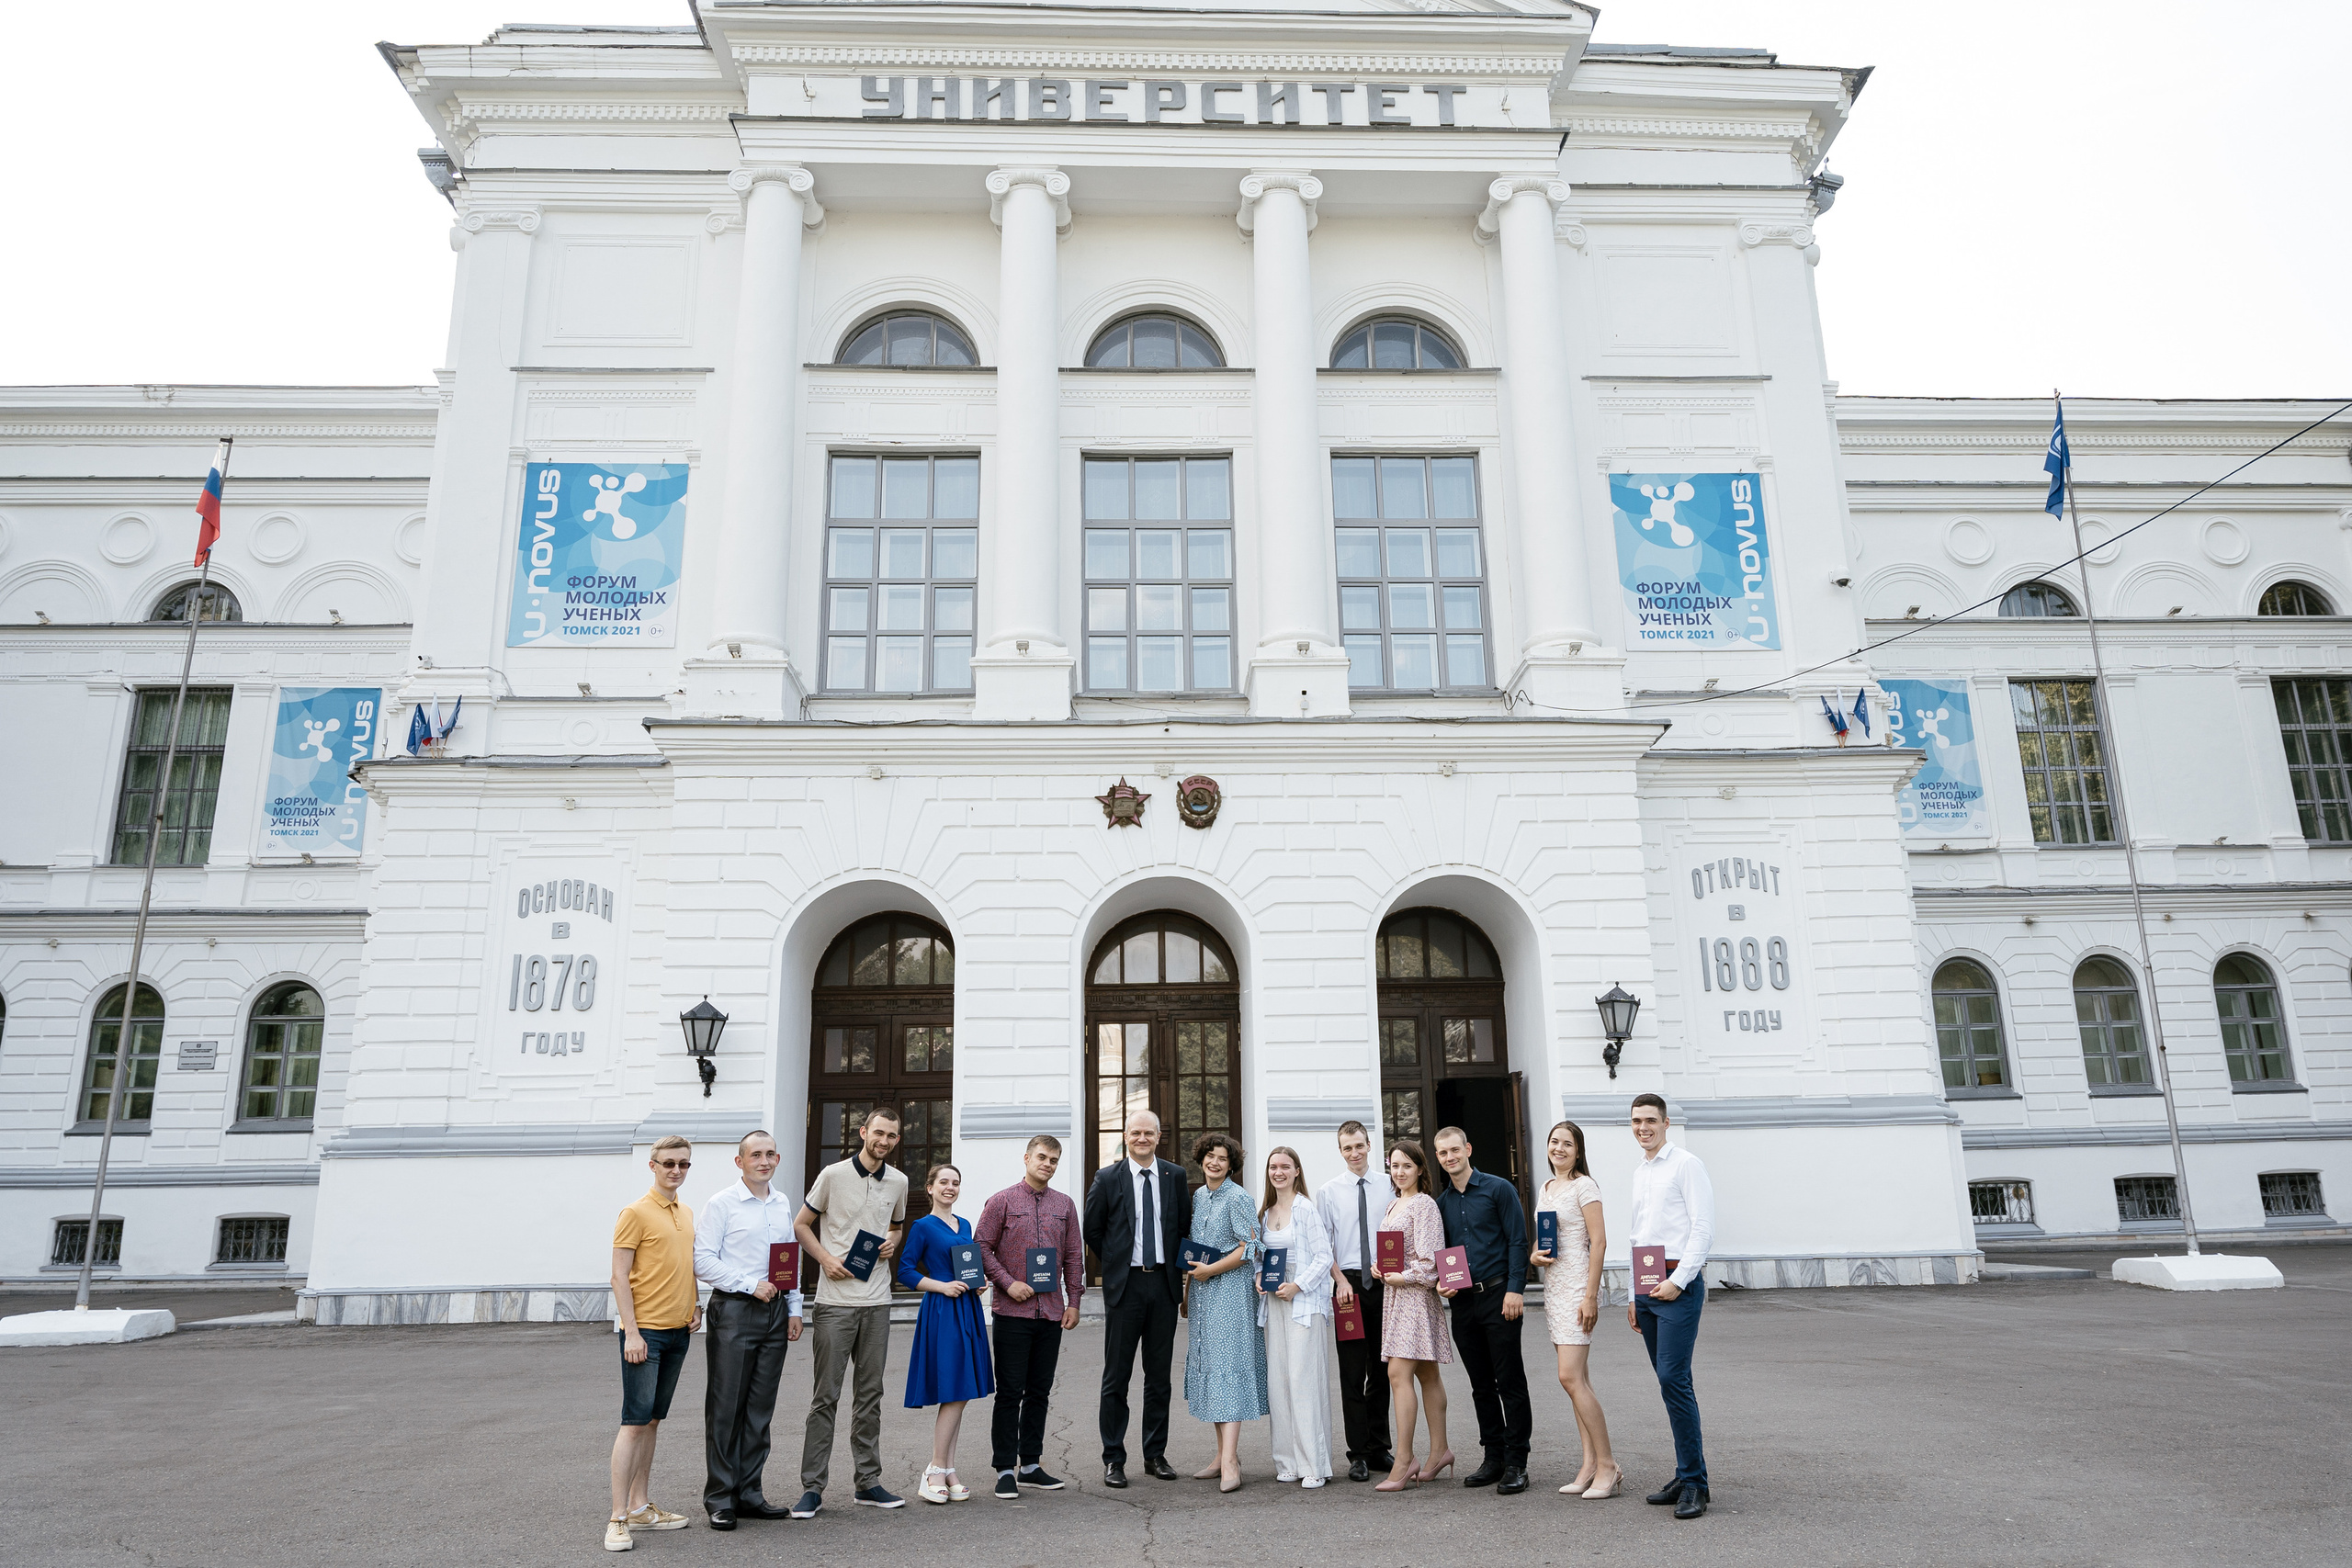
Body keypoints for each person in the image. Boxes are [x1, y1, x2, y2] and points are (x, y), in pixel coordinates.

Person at [792, 1105, 910, 1517]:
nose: (884, 1141)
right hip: (835, 1303)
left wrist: (893, 1240)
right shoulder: (833, 1175)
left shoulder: (899, 1181)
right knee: (825, 1397)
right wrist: (824, 1259)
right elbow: (801, 1224)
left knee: (870, 1396)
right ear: (863, 1132)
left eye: (892, 1136)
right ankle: (812, 1488)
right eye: (878, 1133)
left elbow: (895, 1225)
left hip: (877, 1302)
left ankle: (868, 1482)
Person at [693, 1130, 806, 1530]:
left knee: (760, 1409)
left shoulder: (781, 1202)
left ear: (778, 1159)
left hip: (775, 1314)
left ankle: (750, 1493)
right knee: (726, 1408)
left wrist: (794, 1308)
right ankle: (720, 1497)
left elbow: (787, 1260)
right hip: (736, 1311)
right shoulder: (721, 1204)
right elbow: (702, 1260)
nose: (764, 1160)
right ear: (739, 1162)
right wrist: (748, 1284)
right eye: (755, 1155)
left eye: (771, 1154)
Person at [1082, 1109, 1192, 1489]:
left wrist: (1180, 1281)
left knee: (1159, 1378)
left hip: (1162, 1286)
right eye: (1135, 1133)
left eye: (1149, 1133)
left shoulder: (1174, 1176)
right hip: (1125, 1287)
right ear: (1126, 1136)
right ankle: (1114, 1458)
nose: (1142, 1139)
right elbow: (1092, 1230)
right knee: (1117, 1377)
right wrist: (1115, 1261)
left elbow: (1183, 1227)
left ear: (1159, 1136)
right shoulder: (1108, 1177)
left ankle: (1154, 1455)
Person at [604, 1135, 702, 1551]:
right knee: (633, 1423)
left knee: (653, 1421)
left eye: (682, 1164)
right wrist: (631, 1331)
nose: (676, 1170)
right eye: (668, 1164)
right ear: (653, 1166)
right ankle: (617, 1519)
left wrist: (695, 1302)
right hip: (645, 1336)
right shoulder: (635, 1212)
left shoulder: (686, 1211)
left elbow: (684, 1264)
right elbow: (618, 1276)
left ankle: (641, 1506)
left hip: (679, 1332)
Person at [975, 1134, 1084, 1500]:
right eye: (1041, 1157)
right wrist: (1007, 1283)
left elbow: (1073, 1256)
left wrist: (1074, 1302)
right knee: (1009, 1393)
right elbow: (980, 1247)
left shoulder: (1065, 1205)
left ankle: (1031, 1465)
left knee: (1039, 1392)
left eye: (1054, 1160)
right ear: (1026, 1158)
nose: (1047, 1164)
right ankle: (1004, 1468)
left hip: (1051, 1312)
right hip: (1012, 1312)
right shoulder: (1002, 1201)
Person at [1626, 1093, 1716, 1521]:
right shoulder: (1641, 1172)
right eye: (1636, 1121)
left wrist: (1679, 1282)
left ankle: (1695, 1484)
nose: (1643, 1127)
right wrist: (1632, 1293)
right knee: (1670, 1383)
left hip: (1678, 1285)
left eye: (1649, 1120)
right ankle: (1686, 1473)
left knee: (1673, 1379)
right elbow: (1638, 1237)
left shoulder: (1686, 1164)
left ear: (1665, 1123)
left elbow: (1703, 1228)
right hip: (1647, 1288)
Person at [1430, 1125, 1532, 1495]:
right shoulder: (1440, 1204)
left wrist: (1515, 1290)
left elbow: (1518, 1241)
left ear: (1468, 1149)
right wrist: (1441, 1284)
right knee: (1480, 1385)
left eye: (1454, 1150)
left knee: (1510, 1381)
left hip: (1498, 1296)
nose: (1450, 1157)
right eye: (1443, 1153)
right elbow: (1441, 1256)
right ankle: (1493, 1457)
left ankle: (1517, 1461)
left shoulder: (1498, 1189)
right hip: (1462, 1303)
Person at [1530, 1120, 1619, 1498]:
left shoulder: (1586, 1186)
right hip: (1554, 1286)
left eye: (1567, 1143)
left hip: (1577, 1289)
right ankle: (1589, 1464)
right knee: (1579, 1380)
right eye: (1554, 1142)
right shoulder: (1547, 1187)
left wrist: (1590, 1295)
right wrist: (1535, 1254)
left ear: (1578, 1151)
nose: (1559, 1149)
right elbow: (1545, 1236)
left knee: (1569, 1377)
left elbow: (1598, 1243)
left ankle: (1610, 1466)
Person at [898, 1163, 995, 1504]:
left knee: (963, 1389)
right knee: (953, 1388)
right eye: (943, 1182)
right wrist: (942, 1286)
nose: (950, 1187)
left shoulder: (965, 1224)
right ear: (930, 1188)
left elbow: (967, 1265)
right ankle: (935, 1469)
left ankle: (950, 1468)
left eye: (955, 1183)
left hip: (967, 1308)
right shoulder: (922, 1226)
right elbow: (906, 1271)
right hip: (942, 1310)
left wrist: (976, 1283)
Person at [1182, 1132, 1268, 1491]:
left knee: (1228, 1368)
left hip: (1230, 1293)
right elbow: (1197, 1250)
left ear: (1231, 1165)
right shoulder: (1200, 1196)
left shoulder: (1239, 1197)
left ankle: (1232, 1460)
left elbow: (1251, 1247)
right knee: (1213, 1369)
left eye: (1222, 1158)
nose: (1214, 1162)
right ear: (1201, 1159)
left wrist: (1210, 1271)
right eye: (1209, 1156)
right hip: (1202, 1293)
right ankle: (1221, 1455)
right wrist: (1188, 1291)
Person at [1317, 1119, 1396, 1483]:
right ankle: (1358, 1454)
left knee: (1383, 1368)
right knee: (1352, 1371)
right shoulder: (1329, 1191)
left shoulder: (1390, 1184)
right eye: (1347, 1148)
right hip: (1347, 1284)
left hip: (1384, 1281)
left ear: (1369, 1145)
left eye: (1359, 1146)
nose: (1354, 1153)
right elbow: (1324, 1244)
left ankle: (1380, 1447)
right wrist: (1337, 1282)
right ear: (1340, 1151)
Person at [1374, 1140, 1452, 1494]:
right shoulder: (1394, 1203)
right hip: (1396, 1294)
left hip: (1415, 1298)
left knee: (1397, 1372)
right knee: (1427, 1373)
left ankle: (1405, 1460)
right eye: (1394, 1166)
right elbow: (1395, 1253)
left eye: (1407, 1166)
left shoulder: (1423, 1205)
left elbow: (1431, 1261)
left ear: (1421, 1169)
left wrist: (1401, 1276)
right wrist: (1382, 1269)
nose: (1400, 1172)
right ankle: (1440, 1452)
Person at [1257, 1145, 1334, 1487]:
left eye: (1285, 1167)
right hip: (1275, 1303)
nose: (1279, 1172)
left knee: (1304, 1381)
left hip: (1303, 1303)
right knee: (1280, 1381)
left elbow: (1323, 1256)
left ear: (1297, 1171)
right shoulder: (1265, 1212)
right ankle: (1287, 1461)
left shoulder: (1305, 1209)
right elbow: (1261, 1258)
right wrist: (1260, 1278)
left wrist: (1298, 1286)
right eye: (1274, 1167)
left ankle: (1313, 1465)